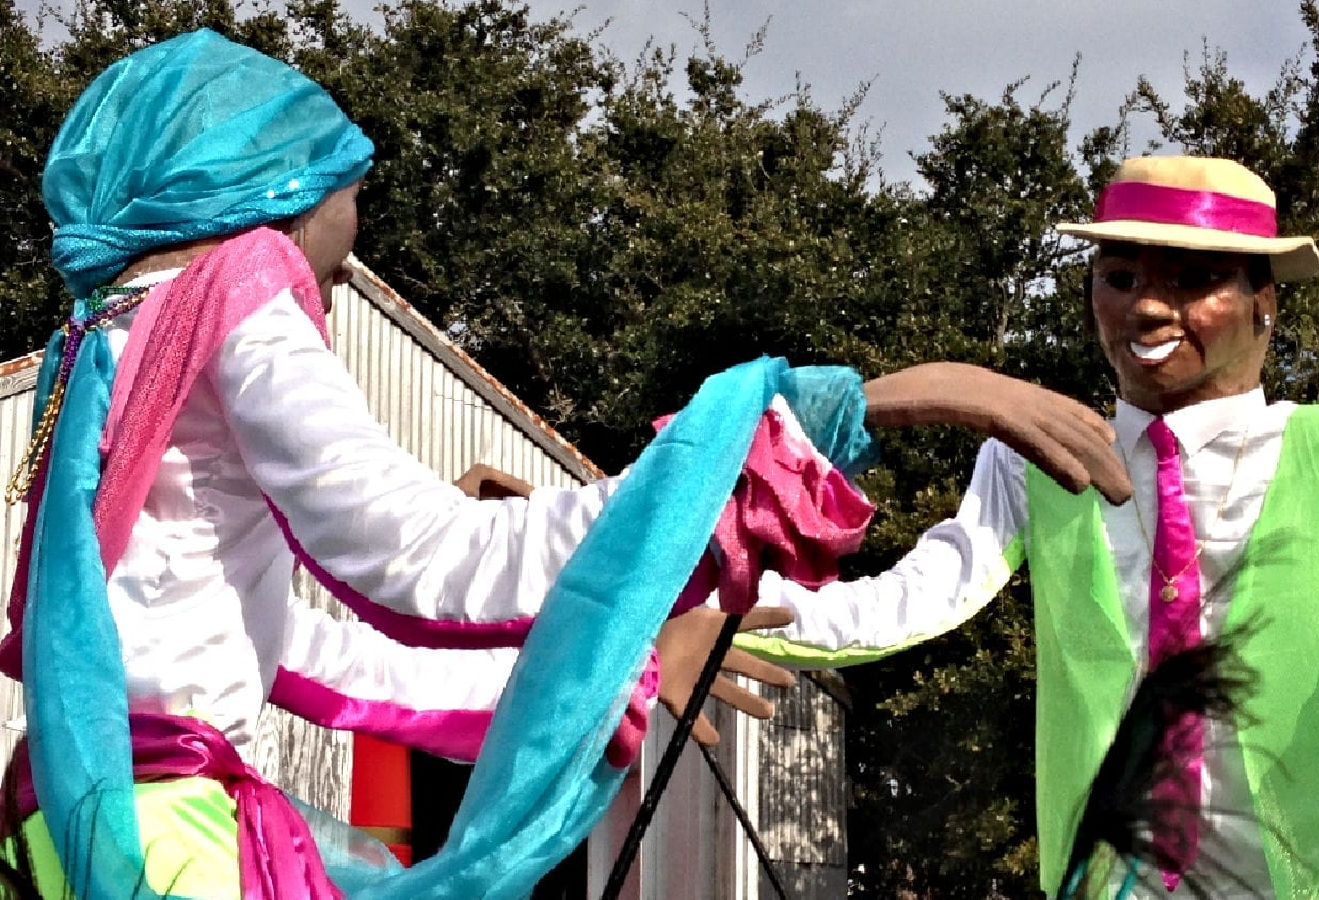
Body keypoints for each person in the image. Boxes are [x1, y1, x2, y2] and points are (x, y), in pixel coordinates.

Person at [2, 29, 1131, 900]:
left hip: (71, 826)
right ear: (275, 201)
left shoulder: (109, 346)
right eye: (348, 206)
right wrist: (849, 407)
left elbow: (301, 651)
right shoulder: (243, 299)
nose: (345, 264)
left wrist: (616, 679)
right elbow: (427, 556)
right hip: (166, 843)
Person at [742, 155, 1319, 898]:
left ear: (1264, 300)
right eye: (1121, 277)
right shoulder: (1034, 456)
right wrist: (722, 604)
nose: (1148, 309)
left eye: (1191, 279)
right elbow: (915, 598)